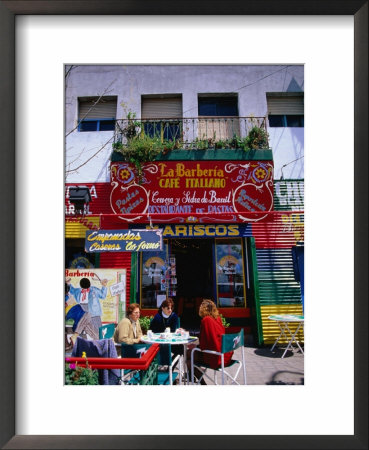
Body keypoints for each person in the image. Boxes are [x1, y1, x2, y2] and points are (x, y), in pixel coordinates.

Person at [190, 299, 233, 384]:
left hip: (216, 357)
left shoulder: (206, 320)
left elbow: (204, 343)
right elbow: (212, 338)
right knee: (191, 355)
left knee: (189, 356)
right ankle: (196, 377)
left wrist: (195, 346)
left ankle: (201, 382)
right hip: (226, 355)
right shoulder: (218, 318)